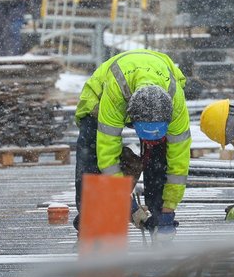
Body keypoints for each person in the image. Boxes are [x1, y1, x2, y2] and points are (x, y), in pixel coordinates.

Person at [73, 49, 191, 237]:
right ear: (131, 118)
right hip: (99, 99)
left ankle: (159, 215)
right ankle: (91, 223)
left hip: (156, 87)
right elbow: (107, 157)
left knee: (162, 158)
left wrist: (168, 208)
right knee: (92, 156)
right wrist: (126, 202)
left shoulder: (176, 106)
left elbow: (179, 164)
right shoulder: (114, 96)